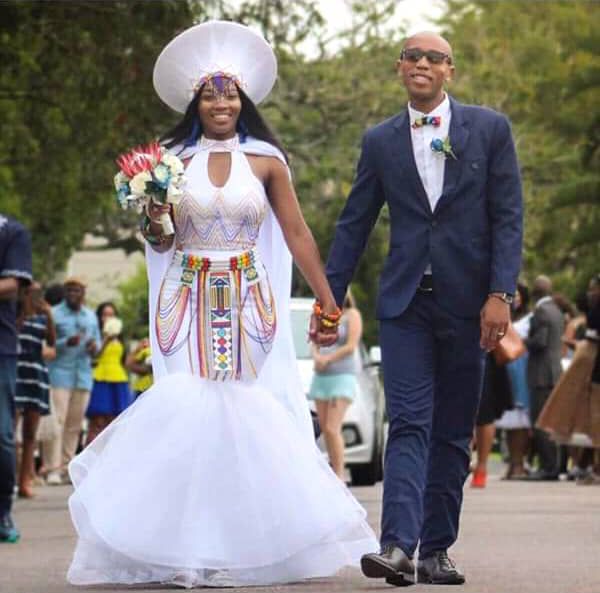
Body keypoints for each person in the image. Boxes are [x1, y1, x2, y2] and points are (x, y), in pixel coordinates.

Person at [67, 21, 377, 588]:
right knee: (188, 408)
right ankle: (184, 544)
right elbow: (159, 242)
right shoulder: (168, 162)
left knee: (238, 409)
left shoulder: (266, 162)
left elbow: (299, 235)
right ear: (195, 102)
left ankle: (240, 543)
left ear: (244, 101)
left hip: (247, 302)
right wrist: (156, 215)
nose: (221, 102)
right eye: (210, 93)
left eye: (230, 93)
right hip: (184, 296)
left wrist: (328, 304)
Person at [325, 31, 523, 585]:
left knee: (453, 431)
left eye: (435, 58)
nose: (423, 64)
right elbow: (354, 222)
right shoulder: (380, 140)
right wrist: (329, 297)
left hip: (470, 305)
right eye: (413, 56)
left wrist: (499, 294)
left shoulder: (489, 129)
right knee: (408, 420)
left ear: (449, 71)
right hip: (405, 302)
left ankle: (436, 549)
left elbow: (508, 216)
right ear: (399, 68)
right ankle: (396, 546)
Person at [536, 274, 600, 483]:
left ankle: (591, 467)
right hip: (591, 365)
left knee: (594, 414)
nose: (591, 293)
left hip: (593, 364)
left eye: (593, 288)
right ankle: (587, 465)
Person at [42, 278, 100, 485]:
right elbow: (47, 344)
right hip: (59, 374)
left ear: (83, 293)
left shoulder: (91, 316)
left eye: (77, 290)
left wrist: (94, 347)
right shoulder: (55, 314)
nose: (73, 293)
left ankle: (67, 467)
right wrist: (65, 342)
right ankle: (52, 469)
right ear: (65, 292)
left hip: (83, 375)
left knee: (75, 425)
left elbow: (98, 343)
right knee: (57, 421)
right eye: (69, 290)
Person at [0, 213, 32, 543]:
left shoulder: (11, 230)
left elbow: (11, 285)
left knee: (2, 434)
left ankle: (2, 512)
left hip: (2, 347)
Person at [308, 290, 363, 480]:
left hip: (342, 375)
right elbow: (313, 339)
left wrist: (329, 359)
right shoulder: (319, 313)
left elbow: (351, 346)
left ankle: (339, 474)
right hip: (322, 377)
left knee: (332, 426)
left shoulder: (351, 316)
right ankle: (331, 471)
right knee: (324, 427)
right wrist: (316, 357)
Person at [14, 281, 56, 498]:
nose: (35, 296)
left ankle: (25, 482)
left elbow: (51, 341)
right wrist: (23, 311)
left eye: (38, 292)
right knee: (9, 432)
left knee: (30, 434)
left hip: (36, 375)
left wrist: (48, 315)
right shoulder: (13, 315)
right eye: (31, 292)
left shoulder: (42, 316)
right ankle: (10, 479)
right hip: (16, 373)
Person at [524, 275, 564, 480]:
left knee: (540, 422)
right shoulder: (557, 310)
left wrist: (524, 340)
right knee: (549, 421)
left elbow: (540, 341)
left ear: (535, 292)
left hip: (541, 374)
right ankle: (552, 465)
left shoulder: (541, 311)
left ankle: (548, 467)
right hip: (554, 372)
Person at [495, 282, 533, 479]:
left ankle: (519, 463)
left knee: (520, 421)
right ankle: (512, 463)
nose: (515, 299)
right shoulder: (501, 316)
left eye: (518, 295)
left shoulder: (530, 319)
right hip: (503, 369)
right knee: (507, 423)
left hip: (521, 371)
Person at [85, 302, 132, 444]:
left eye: (111, 315)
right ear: (99, 317)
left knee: (115, 423)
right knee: (97, 421)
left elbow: (125, 361)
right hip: (100, 378)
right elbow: (94, 356)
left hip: (118, 380)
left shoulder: (121, 338)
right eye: (104, 315)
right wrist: (106, 339)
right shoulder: (95, 335)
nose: (108, 318)